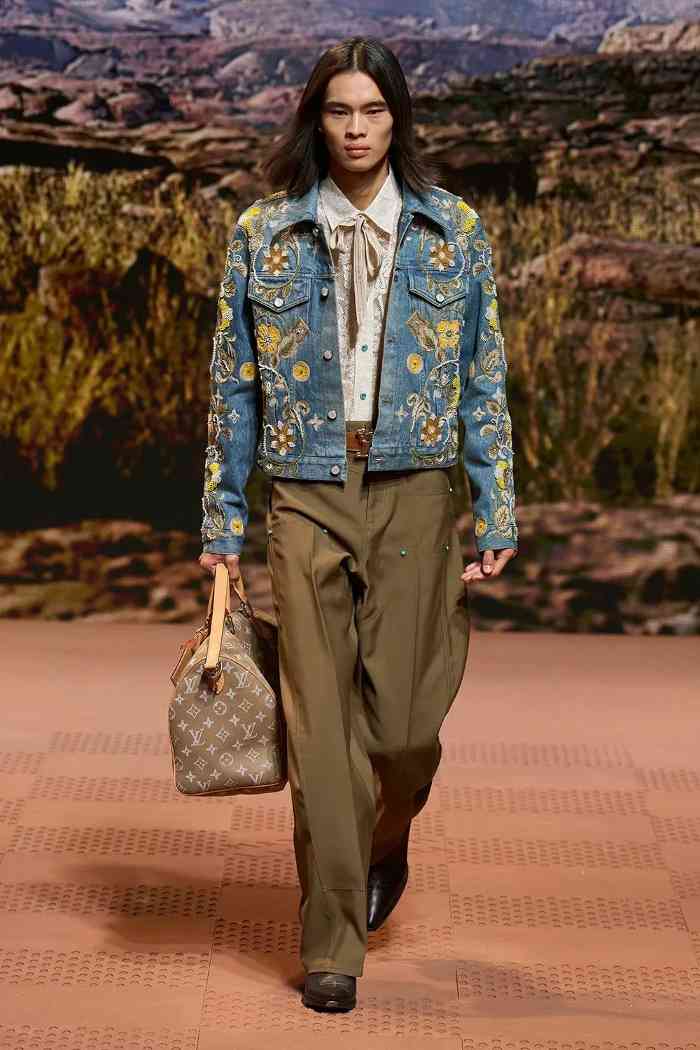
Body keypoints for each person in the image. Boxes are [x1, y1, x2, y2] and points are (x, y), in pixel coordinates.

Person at [199, 36, 518, 1013]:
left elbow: (483, 372)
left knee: (406, 727)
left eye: (372, 110)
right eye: (338, 110)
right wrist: (221, 521)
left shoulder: (453, 229)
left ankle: (387, 832)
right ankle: (332, 942)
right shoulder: (264, 232)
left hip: (416, 486)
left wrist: (495, 500)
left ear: (396, 119)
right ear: (316, 119)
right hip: (304, 488)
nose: (355, 128)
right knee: (321, 726)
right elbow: (233, 384)